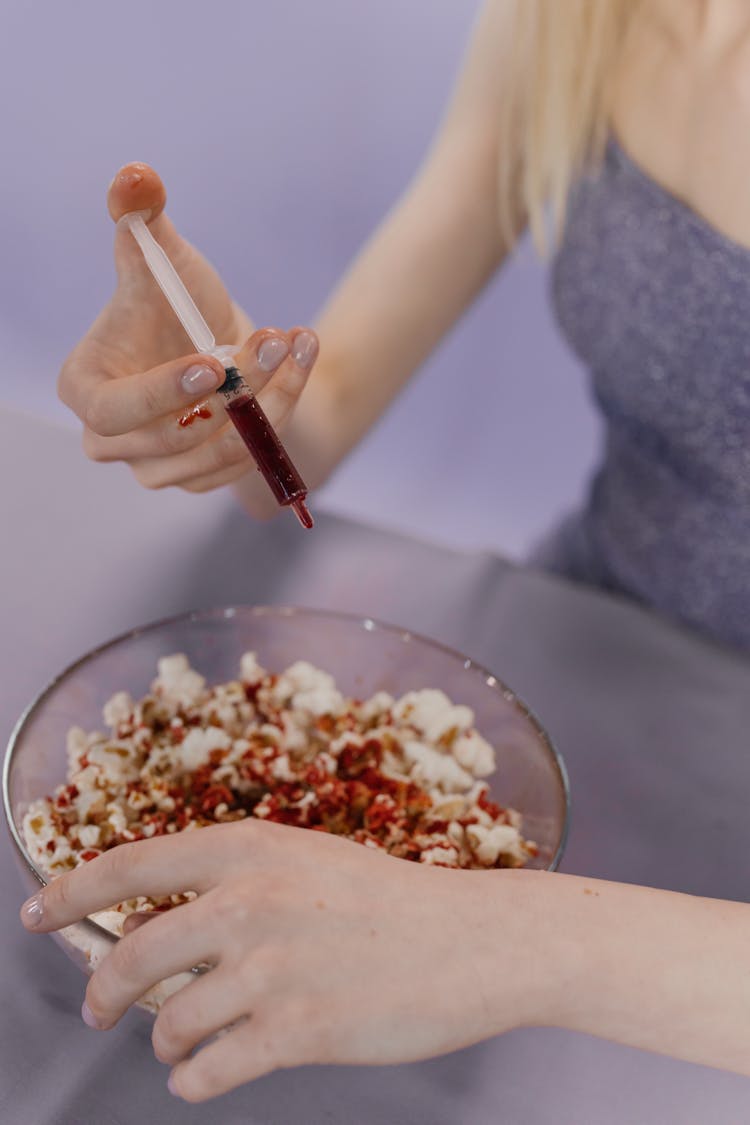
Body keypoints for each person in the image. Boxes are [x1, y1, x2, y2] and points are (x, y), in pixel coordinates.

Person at [21, 0, 750, 1104]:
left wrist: (505, 944)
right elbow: (322, 413)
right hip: (588, 657)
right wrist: (229, 407)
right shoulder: (579, 18)